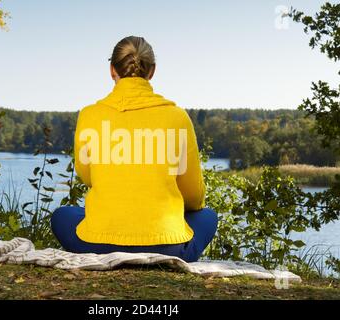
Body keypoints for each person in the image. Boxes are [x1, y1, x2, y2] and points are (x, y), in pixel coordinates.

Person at [51, 36, 218, 262]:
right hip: (168, 248)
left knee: (62, 216)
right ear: (152, 71)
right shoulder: (177, 117)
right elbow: (194, 196)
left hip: (98, 244)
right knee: (207, 216)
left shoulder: (89, 115)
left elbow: (87, 177)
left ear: (112, 70)